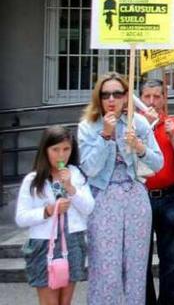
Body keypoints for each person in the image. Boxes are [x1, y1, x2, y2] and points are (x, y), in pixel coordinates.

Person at [77, 72, 163, 305]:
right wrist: (105, 136)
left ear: (127, 96)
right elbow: (90, 169)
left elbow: (158, 163)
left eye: (117, 93)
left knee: (136, 270)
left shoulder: (139, 123)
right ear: (98, 98)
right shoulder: (88, 126)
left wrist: (139, 146)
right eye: (106, 95)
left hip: (135, 196)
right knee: (106, 269)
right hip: (104, 199)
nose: (111, 99)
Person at [16, 126, 94, 305]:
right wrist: (47, 211)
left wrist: (71, 188)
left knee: (65, 301)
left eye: (66, 149)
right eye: (55, 149)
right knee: (50, 302)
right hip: (43, 243)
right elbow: (21, 217)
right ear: (45, 150)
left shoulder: (76, 174)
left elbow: (89, 208)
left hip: (72, 240)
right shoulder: (33, 179)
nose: (61, 155)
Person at [140, 79, 174, 305]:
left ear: (164, 98)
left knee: (171, 258)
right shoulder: (135, 125)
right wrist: (145, 127)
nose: (152, 102)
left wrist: (173, 137)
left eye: (157, 96)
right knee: (142, 259)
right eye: (147, 96)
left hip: (169, 197)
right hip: (141, 197)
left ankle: (169, 301)